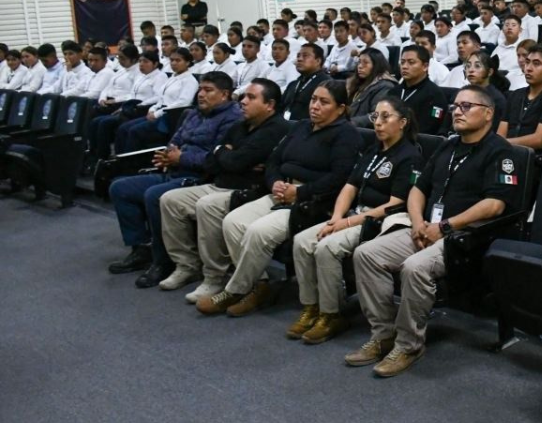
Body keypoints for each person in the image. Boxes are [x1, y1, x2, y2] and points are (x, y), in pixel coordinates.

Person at [347, 85, 520, 374]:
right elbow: (418, 189)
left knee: (415, 267)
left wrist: (446, 226)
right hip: (426, 228)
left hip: (464, 236)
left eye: (466, 106)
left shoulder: (500, 152)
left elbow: (494, 205)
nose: (457, 111)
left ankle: (408, 345)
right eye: (455, 106)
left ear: (488, 114)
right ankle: (383, 334)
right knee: (367, 254)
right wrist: (418, 223)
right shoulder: (447, 146)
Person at [196, 82, 361, 316]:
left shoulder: (346, 134)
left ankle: (235, 290)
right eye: (313, 99)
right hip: (281, 190)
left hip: (312, 201)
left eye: (324, 102)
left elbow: (339, 178)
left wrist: (300, 192)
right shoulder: (301, 126)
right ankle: (258, 286)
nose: (315, 106)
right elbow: (274, 160)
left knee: (258, 232)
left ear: (341, 108)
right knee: (233, 222)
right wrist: (274, 181)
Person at [288, 97, 423, 344]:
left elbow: (394, 204)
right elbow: (350, 186)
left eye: (386, 117)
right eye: (375, 117)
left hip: (378, 221)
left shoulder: (409, 155)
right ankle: (312, 306)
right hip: (352, 214)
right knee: (302, 241)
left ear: (403, 122)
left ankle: (331, 314)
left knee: (327, 247)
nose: (378, 123)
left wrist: (347, 223)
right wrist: (336, 218)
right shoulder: (373, 149)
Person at [106, 72, 244, 287]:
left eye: (208, 90)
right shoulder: (193, 113)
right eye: (200, 89)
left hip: (201, 178)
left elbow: (217, 159)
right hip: (175, 171)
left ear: (225, 94)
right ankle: (141, 248)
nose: (201, 94)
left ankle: (164, 261)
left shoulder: (233, 119)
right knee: (120, 188)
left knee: (154, 196)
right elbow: (175, 140)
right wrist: (167, 155)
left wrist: (181, 158)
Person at [158, 79, 290, 298]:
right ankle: (187, 266)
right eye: (244, 96)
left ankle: (214, 276)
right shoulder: (240, 125)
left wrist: (223, 152)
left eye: (251, 97)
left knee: (207, 205)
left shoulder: (277, 129)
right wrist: (225, 154)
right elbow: (213, 162)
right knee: (170, 200)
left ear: (270, 105)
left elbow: (235, 161)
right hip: (220, 183)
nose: (243, 101)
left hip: (248, 190)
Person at [115, 48, 202, 153]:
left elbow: (183, 102)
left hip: (170, 116)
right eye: (172, 60)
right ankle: (119, 159)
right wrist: (153, 109)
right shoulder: (172, 77)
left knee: (134, 131)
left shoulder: (190, 81)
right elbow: (161, 98)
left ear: (187, 62)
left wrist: (158, 113)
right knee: (123, 128)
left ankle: (132, 161)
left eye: (178, 60)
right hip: (159, 111)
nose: (174, 63)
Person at [392, 45, 448, 136]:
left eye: (411, 62)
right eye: (402, 62)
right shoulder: (394, 91)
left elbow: (430, 128)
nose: (404, 66)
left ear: (425, 66)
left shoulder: (435, 95)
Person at [346, 48, 398, 128]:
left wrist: (350, 123)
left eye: (365, 63)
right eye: (359, 62)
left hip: (366, 131)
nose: (360, 66)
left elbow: (376, 115)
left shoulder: (385, 86)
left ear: (376, 65)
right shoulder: (357, 82)